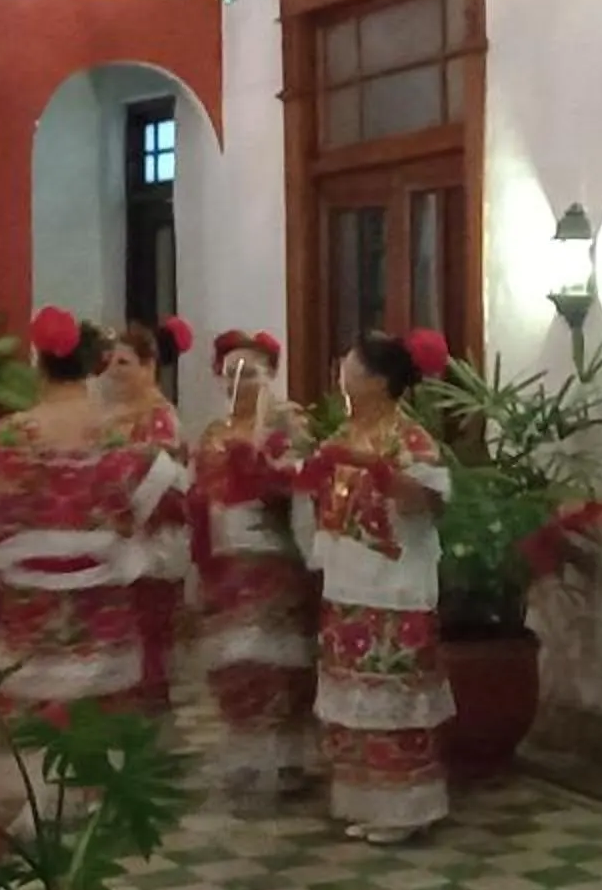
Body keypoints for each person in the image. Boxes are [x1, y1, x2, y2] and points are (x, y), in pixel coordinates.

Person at [0, 308, 185, 722]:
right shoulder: (116, 437)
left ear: (39, 364)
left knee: (34, 738)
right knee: (99, 733)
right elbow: (167, 506)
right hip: (101, 609)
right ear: (91, 367)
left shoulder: (6, 438)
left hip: (29, 610)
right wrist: (117, 537)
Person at [300, 330, 456, 844]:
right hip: (347, 580)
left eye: (351, 362)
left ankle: (407, 806)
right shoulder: (344, 431)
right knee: (355, 694)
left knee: (391, 693)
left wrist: (377, 468)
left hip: (393, 582)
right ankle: (366, 799)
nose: (341, 369)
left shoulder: (408, 439)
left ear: (378, 379)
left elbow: (425, 504)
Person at [190, 330, 318, 806]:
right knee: (234, 661)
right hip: (223, 559)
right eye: (231, 372)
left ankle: (285, 756)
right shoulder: (213, 433)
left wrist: (270, 474)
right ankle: (245, 751)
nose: (239, 381)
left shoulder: (288, 424)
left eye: (250, 371)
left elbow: (306, 487)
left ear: (270, 375)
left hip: (272, 555)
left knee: (276, 658)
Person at [106, 318, 193, 713]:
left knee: (150, 634)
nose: (113, 371)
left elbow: (163, 480)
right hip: (116, 538)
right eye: (110, 362)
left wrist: (128, 515)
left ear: (148, 366)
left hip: (149, 542)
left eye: (123, 363)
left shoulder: (161, 417)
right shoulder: (110, 415)